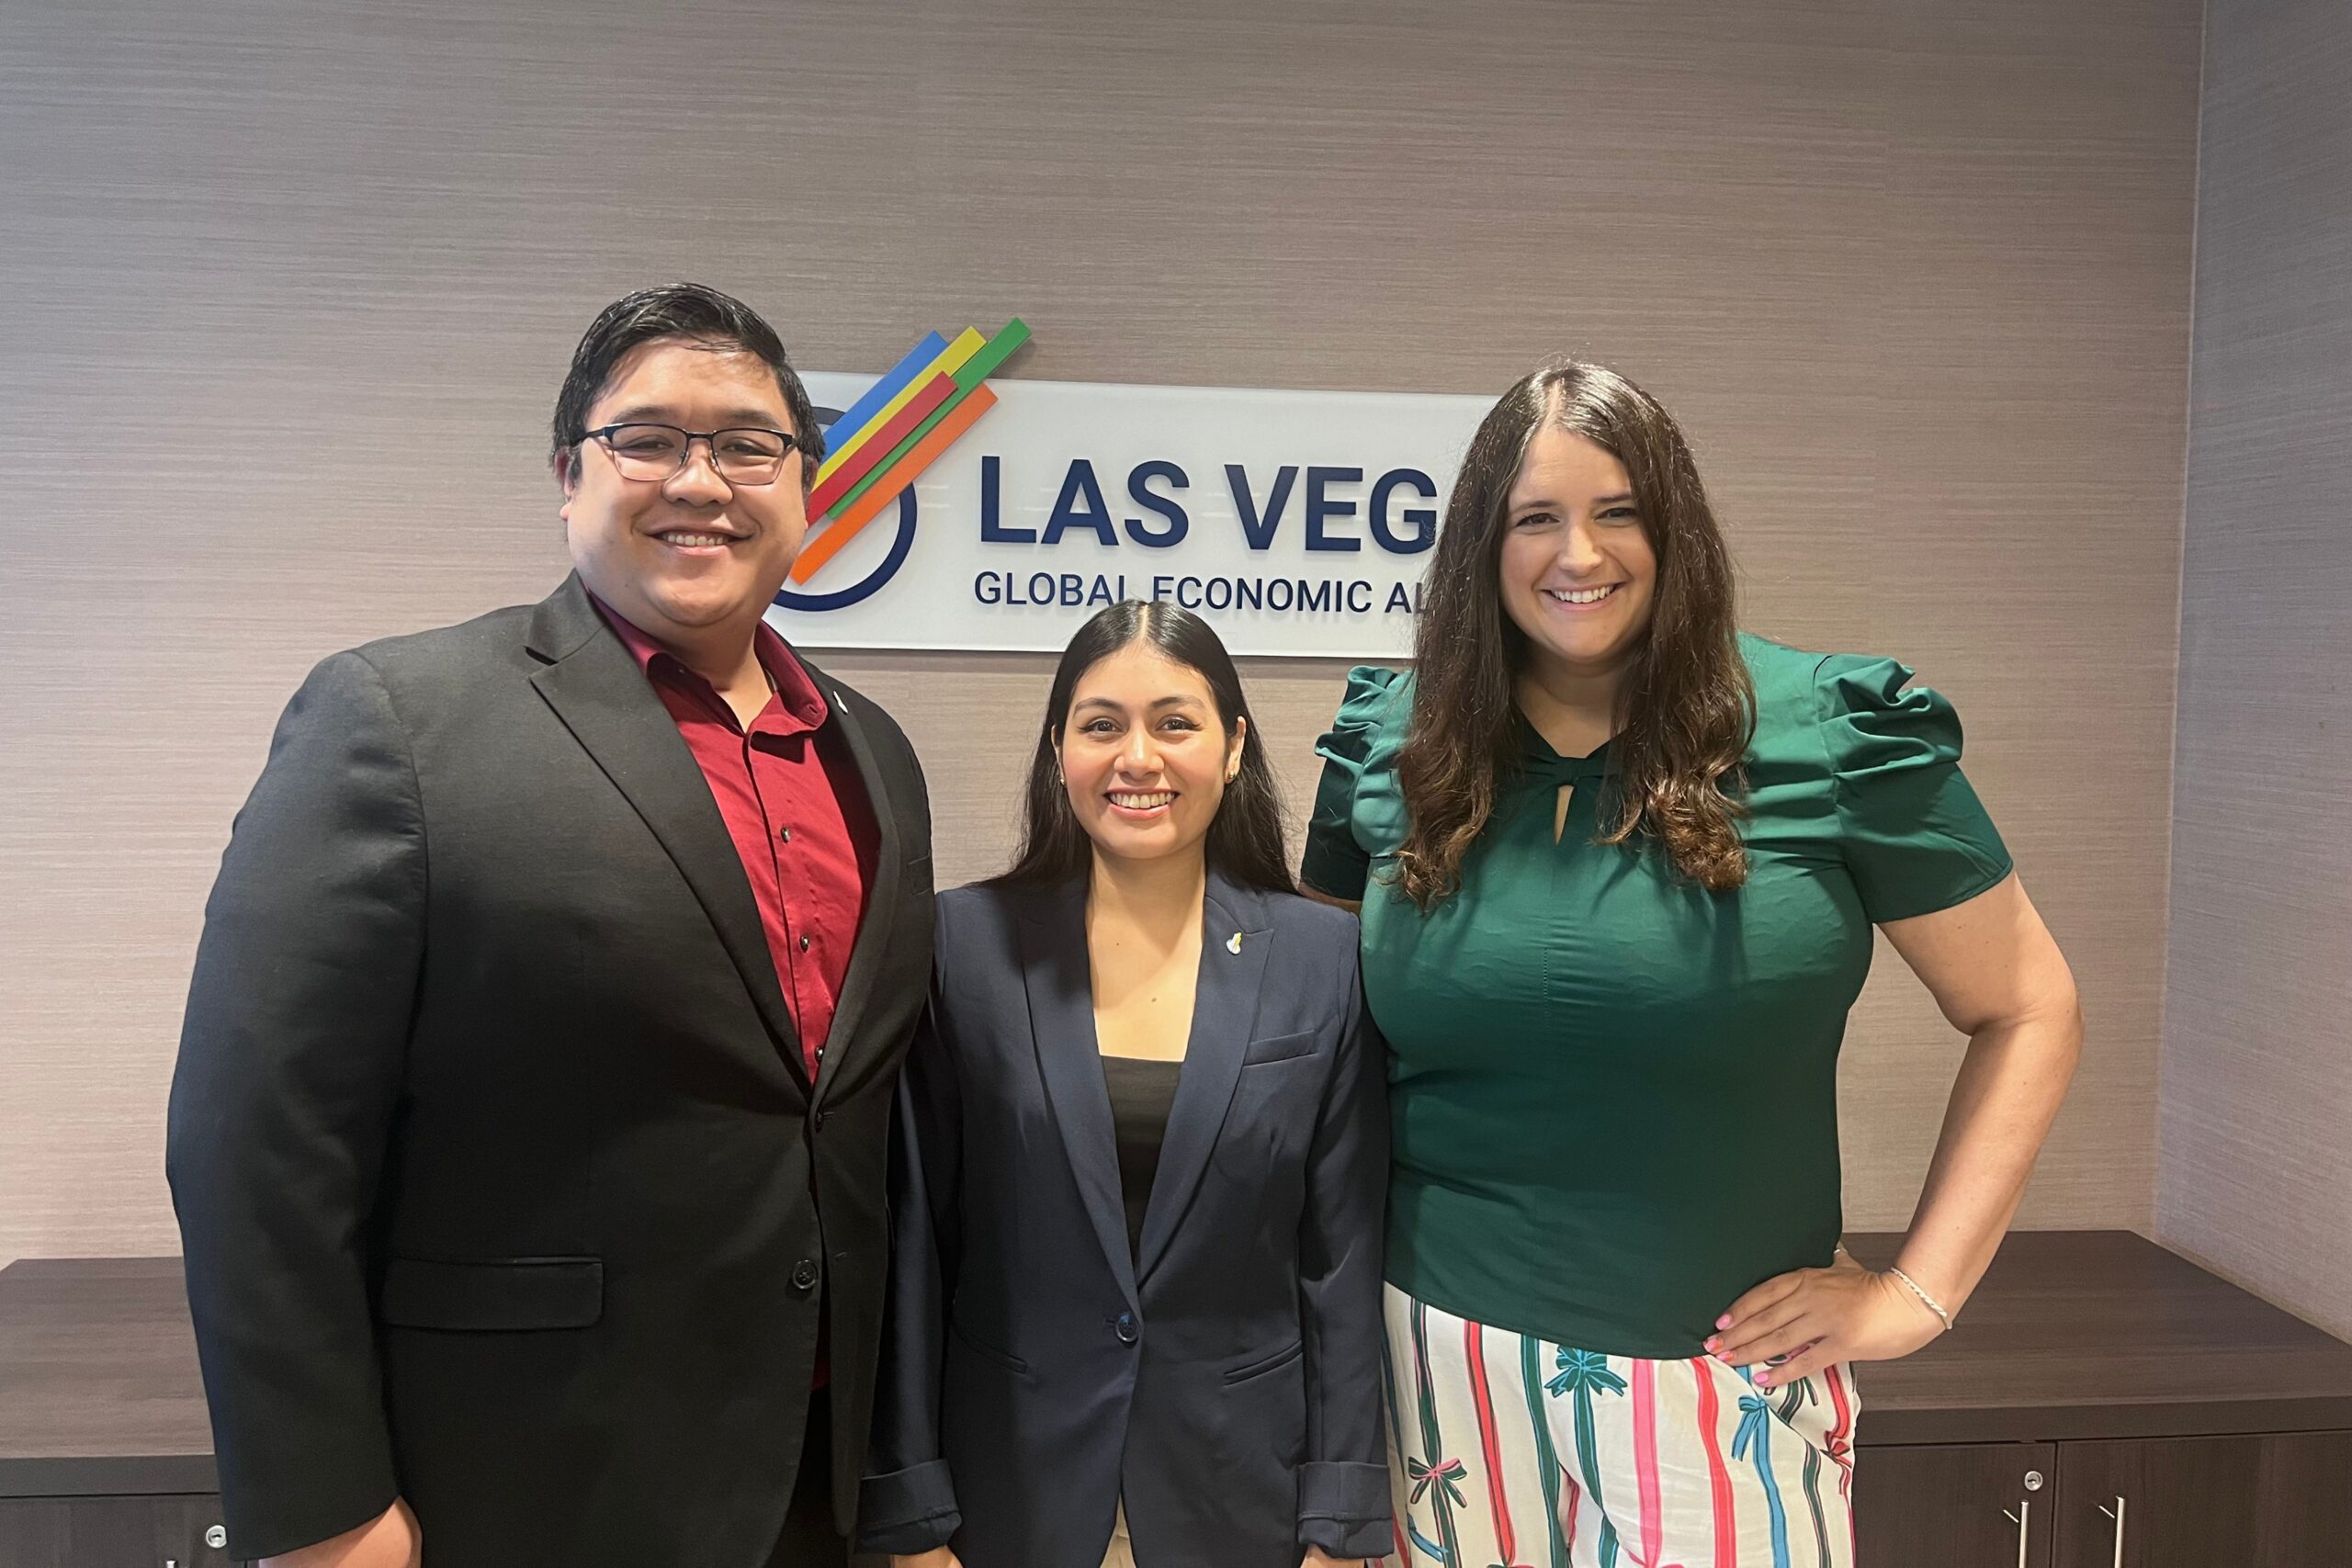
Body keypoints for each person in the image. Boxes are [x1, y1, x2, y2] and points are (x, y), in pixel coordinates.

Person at [166, 283, 935, 1568]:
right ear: (569, 473)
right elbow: (255, 1135)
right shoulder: (399, 718)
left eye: (749, 444)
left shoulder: (874, 750)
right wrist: (319, 1503)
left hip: (820, 1476)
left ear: (805, 487)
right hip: (521, 1477)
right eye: (649, 438)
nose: (703, 479)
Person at [1302, 360, 2082, 1567]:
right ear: (1479, 544)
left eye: (1618, 510)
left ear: (1676, 527)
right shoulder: (1394, 744)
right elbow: (1303, 1032)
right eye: (1536, 516)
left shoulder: (1834, 733)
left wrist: (1919, 1293)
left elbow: (2029, 1003)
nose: (1580, 551)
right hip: (1436, 1370)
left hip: (1721, 1384)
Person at [859, 601, 1390, 1568]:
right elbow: (912, 1243)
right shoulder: (960, 949)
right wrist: (909, 1504)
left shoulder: (1326, 958)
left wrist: (1343, 1519)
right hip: (1004, 1488)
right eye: (1100, 725)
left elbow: (1340, 1258)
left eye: (1174, 723)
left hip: (1243, 1491)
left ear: (1232, 748)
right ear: (1058, 750)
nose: (1136, 757)